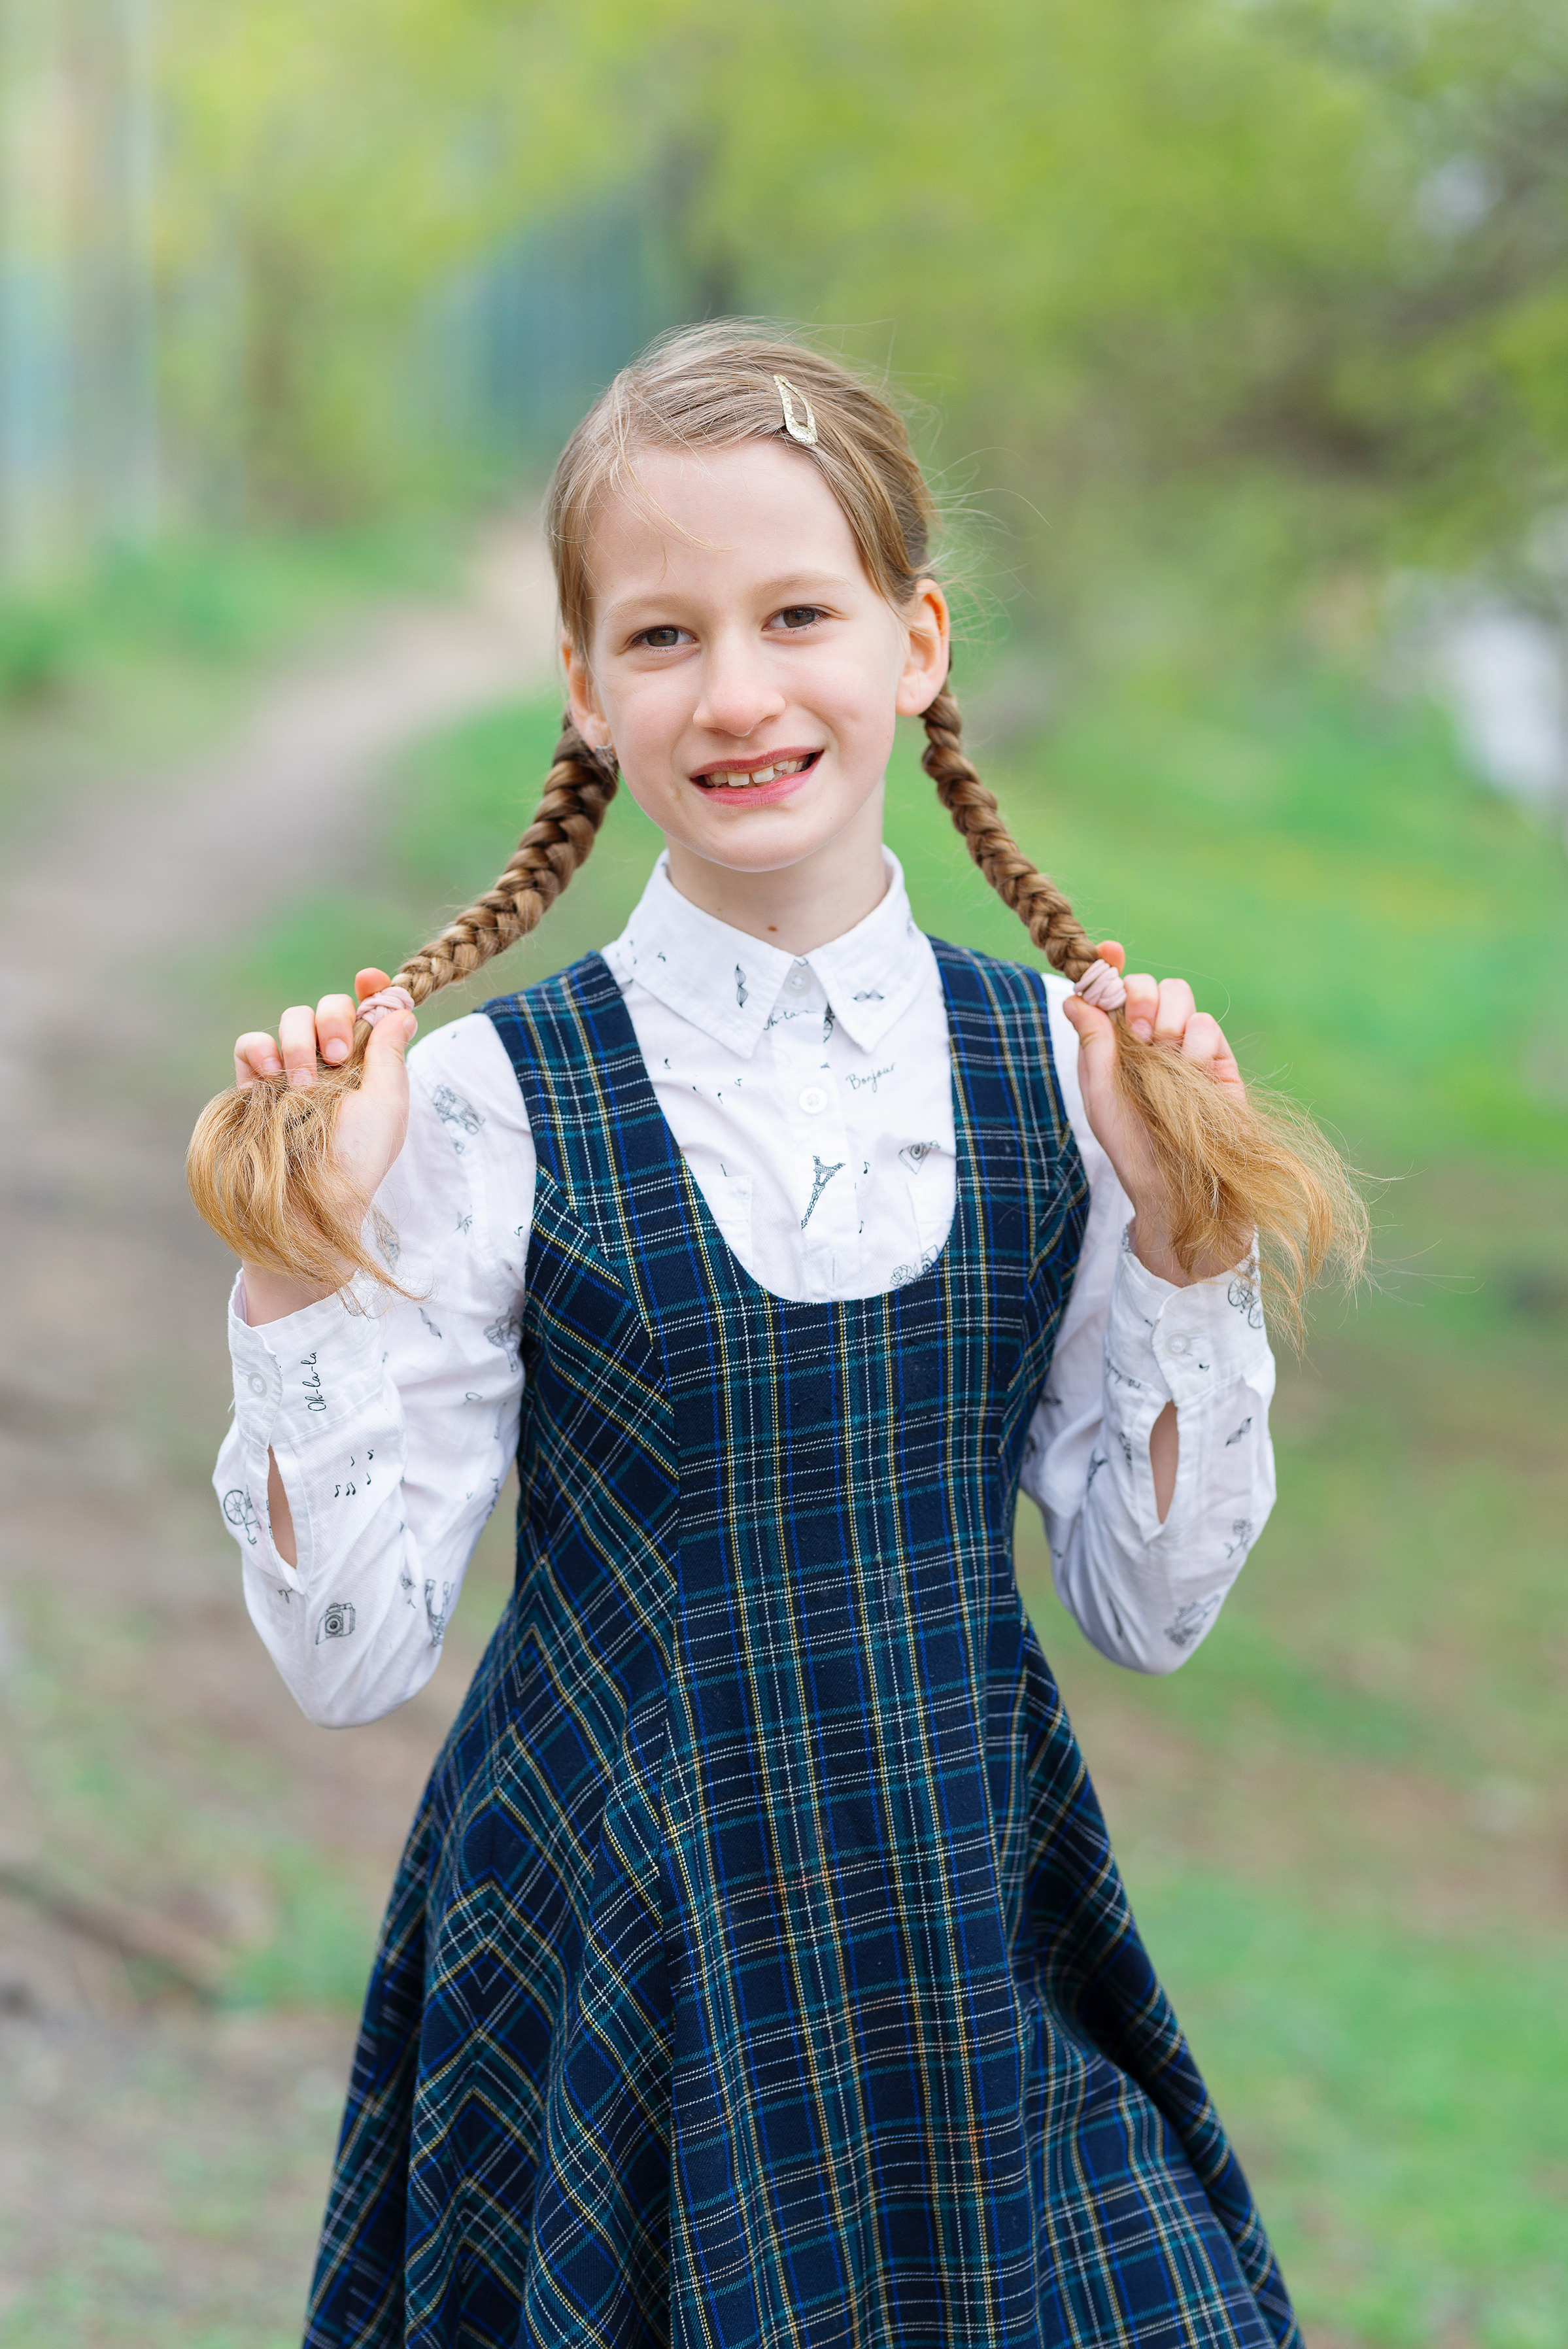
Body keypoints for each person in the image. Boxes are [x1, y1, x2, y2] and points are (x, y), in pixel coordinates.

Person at [193, 326, 1360, 2348]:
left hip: (959, 1928)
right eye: (663, 636)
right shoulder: (485, 1105)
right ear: (585, 688)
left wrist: (1186, 1248)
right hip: (613, 1959)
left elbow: (1150, 1609)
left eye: (797, 615)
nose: (736, 693)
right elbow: (348, 1655)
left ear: (916, 643)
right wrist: (300, 1265)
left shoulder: (1063, 1073)